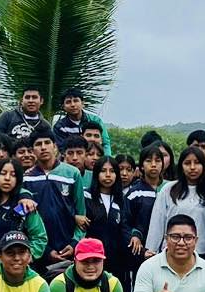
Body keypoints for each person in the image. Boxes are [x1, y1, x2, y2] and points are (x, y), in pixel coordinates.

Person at [23, 134, 85, 272]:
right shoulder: (26, 178)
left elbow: (81, 214)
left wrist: (74, 243)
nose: (43, 147)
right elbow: (24, 220)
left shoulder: (72, 174)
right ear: (32, 151)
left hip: (68, 249)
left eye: (47, 142)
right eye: (38, 144)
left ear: (55, 147)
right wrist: (46, 251)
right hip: (40, 252)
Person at [145, 147, 205, 258]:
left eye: (197, 163)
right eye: (187, 163)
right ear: (181, 166)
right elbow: (157, 220)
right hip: (171, 251)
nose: (192, 167)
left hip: (201, 252)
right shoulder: (169, 189)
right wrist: (151, 249)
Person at [83, 158, 133, 282]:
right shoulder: (86, 196)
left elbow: (125, 229)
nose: (108, 175)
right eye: (103, 171)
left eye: (112, 171)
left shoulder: (121, 200)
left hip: (116, 261)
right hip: (91, 258)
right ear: (96, 173)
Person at [125, 143, 167, 264]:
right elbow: (125, 222)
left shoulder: (170, 189)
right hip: (142, 251)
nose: (153, 164)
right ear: (142, 166)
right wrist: (133, 236)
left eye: (157, 161)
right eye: (148, 161)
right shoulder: (135, 193)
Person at [52, 88, 114, 156]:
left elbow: (105, 143)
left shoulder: (95, 120)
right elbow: (62, 150)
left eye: (76, 101)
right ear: (63, 107)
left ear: (82, 103)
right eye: (68, 102)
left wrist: (106, 160)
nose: (73, 105)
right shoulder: (60, 127)